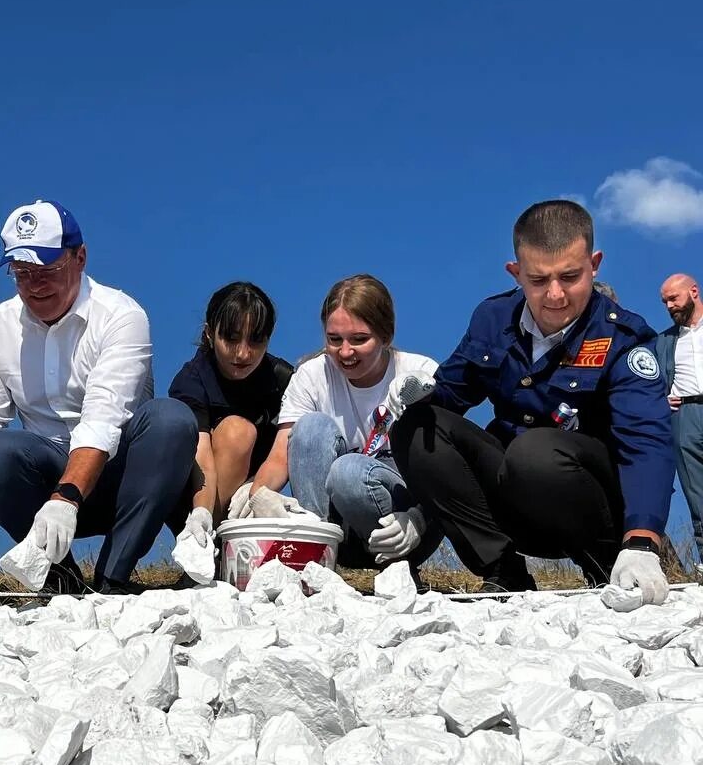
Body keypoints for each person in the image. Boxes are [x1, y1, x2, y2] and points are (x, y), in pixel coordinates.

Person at [390, 200, 673, 602]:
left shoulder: (625, 339)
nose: (555, 295)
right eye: (538, 280)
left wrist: (642, 541)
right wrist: (419, 390)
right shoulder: (492, 318)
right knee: (418, 425)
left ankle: (609, 566)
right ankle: (502, 570)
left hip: (590, 505)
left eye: (570, 277)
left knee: (535, 452)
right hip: (513, 495)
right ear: (516, 272)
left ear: (595, 265)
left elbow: (647, 443)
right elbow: (450, 395)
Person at [0, 200, 197, 594]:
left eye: (48, 271)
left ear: (81, 258)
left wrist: (67, 497)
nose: (35, 285)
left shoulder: (122, 316)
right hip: (47, 478)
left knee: (170, 420)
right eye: (22, 274)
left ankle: (112, 579)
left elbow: (103, 419)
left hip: (123, 479)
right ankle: (59, 579)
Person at [238, 274, 443, 575]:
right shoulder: (311, 375)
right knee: (309, 429)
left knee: (348, 472)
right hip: (337, 530)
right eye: (335, 340)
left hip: (405, 528)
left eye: (359, 339)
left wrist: (419, 517)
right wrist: (258, 495)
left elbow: (444, 467)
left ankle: (398, 569)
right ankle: (316, 563)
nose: (345, 352)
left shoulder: (419, 373)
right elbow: (281, 455)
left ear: (386, 335)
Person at [167, 282, 293, 549]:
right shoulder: (191, 381)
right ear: (210, 334)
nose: (243, 353)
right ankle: (206, 548)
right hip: (195, 494)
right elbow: (201, 458)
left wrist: (256, 487)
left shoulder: (284, 380)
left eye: (256, 340)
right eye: (232, 339)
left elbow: (289, 450)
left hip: (256, 494)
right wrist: (201, 514)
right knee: (238, 431)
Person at [655, 273, 703, 561]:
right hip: (685, 416)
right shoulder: (662, 341)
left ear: (694, 292)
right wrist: (659, 399)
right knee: (697, 496)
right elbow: (648, 380)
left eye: (674, 298)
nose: (669, 306)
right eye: (664, 302)